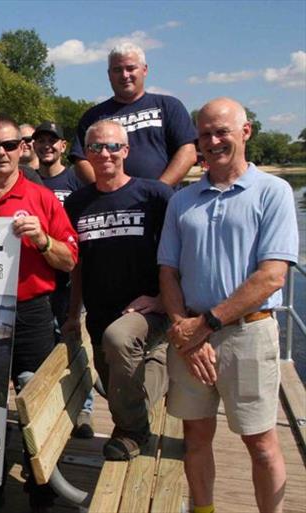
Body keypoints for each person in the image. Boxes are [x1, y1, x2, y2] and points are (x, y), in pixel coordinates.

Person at [158, 98, 298, 513]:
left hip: (247, 334)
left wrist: (208, 324)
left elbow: (272, 275)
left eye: (222, 131)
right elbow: (168, 271)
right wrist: (185, 327)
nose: (213, 141)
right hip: (190, 338)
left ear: (246, 131)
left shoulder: (273, 192)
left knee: (260, 443)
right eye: (205, 134)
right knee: (196, 439)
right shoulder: (182, 201)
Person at [0, 114, 78, 513]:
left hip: (31, 313)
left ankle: (40, 487)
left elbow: (70, 259)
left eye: (9, 145)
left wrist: (42, 240)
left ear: (22, 150)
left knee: (35, 402)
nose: (1, 153)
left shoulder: (41, 198)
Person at [63, 120, 173, 461]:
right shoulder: (77, 203)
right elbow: (76, 265)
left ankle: (132, 434)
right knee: (118, 391)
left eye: (112, 146)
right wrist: (71, 315)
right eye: (96, 147)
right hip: (99, 316)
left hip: (148, 311)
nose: (105, 154)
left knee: (120, 343)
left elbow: (180, 254)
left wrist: (163, 299)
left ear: (125, 151)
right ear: (87, 155)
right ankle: (160, 365)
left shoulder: (155, 195)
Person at [32, 121, 92, 438]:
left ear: (63, 146)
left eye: (51, 141)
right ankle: (52, 403)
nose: (46, 146)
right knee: (45, 344)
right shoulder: (29, 180)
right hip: (38, 275)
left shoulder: (75, 180)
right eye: (40, 141)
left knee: (70, 336)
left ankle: (84, 407)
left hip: (69, 272)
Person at [69, 43, 197, 186]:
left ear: (144, 70)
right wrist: (104, 194)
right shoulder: (93, 117)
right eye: (117, 70)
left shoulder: (169, 106)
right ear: (109, 74)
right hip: (111, 204)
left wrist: (159, 191)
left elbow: (188, 152)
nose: (124, 75)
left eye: (130, 68)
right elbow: (81, 160)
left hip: (162, 204)